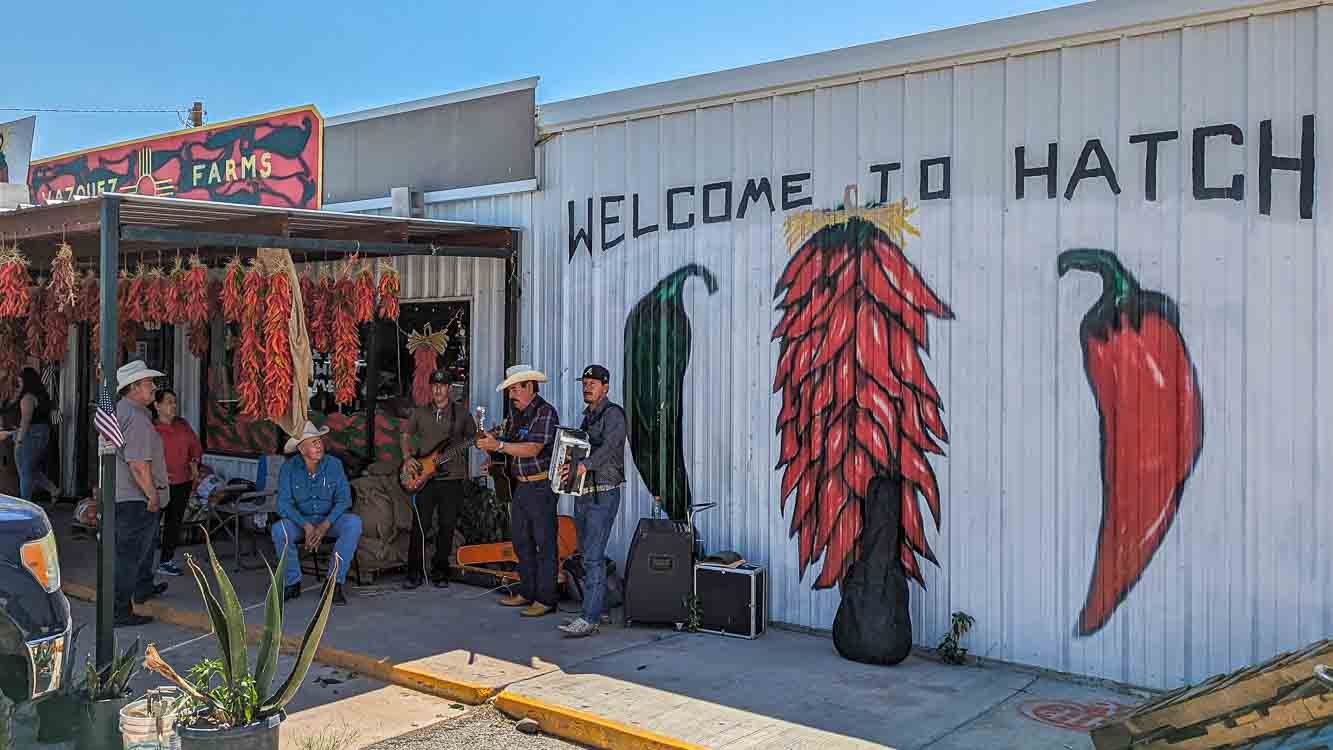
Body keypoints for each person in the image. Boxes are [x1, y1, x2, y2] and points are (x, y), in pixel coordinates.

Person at [476, 365, 560, 617]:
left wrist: (498, 445)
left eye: (515, 389)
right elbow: (511, 446)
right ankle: (527, 591)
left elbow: (532, 448)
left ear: (530, 387)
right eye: (510, 389)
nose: (512, 394)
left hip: (541, 484)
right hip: (521, 485)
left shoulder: (545, 412)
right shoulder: (516, 413)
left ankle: (545, 599)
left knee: (544, 544)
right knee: (522, 541)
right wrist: (493, 457)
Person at [557, 364, 627, 638]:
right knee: (588, 556)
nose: (587, 387)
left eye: (593, 383)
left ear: (605, 387)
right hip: (584, 494)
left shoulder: (614, 414)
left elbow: (610, 447)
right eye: (585, 383)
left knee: (593, 557)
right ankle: (596, 610)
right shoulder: (587, 417)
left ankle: (589, 617)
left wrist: (583, 466)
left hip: (604, 493)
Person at [400, 370, 477, 589]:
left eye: (442, 386)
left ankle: (441, 571)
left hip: (452, 478)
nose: (437, 389)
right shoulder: (420, 412)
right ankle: (413, 572)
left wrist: (483, 443)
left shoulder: (461, 414)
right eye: (434, 385)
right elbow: (405, 435)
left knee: (447, 525)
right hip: (425, 476)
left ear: (449, 389)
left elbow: (475, 438)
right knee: (420, 525)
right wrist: (407, 458)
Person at [271, 421, 362, 606]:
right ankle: (292, 582)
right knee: (279, 530)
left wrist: (324, 526)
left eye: (319, 441)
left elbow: (344, 500)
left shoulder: (334, 465)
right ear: (302, 449)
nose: (319, 445)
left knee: (353, 523)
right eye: (313, 442)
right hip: (302, 522)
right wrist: (306, 526)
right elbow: (283, 504)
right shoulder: (289, 468)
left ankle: (333, 583)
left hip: (329, 521)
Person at [112, 360, 170, 627]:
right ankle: (120, 610)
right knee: (129, 555)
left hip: (122, 496)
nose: (153, 387)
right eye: (148, 383)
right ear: (134, 387)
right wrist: (151, 495)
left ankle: (133, 595)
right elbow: (137, 464)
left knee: (129, 553)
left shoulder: (123, 411)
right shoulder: (135, 418)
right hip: (134, 498)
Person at [151, 388, 201, 577]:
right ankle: (144, 564)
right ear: (157, 405)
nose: (173, 406)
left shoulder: (183, 425)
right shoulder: (151, 428)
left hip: (182, 481)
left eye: (174, 402)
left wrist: (194, 463)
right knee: (151, 525)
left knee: (174, 523)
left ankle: (166, 561)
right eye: (168, 402)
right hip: (159, 483)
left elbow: (195, 448)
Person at [0, 368, 60, 503]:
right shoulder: (35, 395)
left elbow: (25, 421)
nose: (18, 383)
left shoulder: (28, 397)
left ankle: (25, 503)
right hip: (37, 434)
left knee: (25, 471)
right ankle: (53, 489)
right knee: (30, 468)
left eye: (20, 380)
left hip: (30, 435)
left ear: (27, 381)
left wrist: (19, 441)